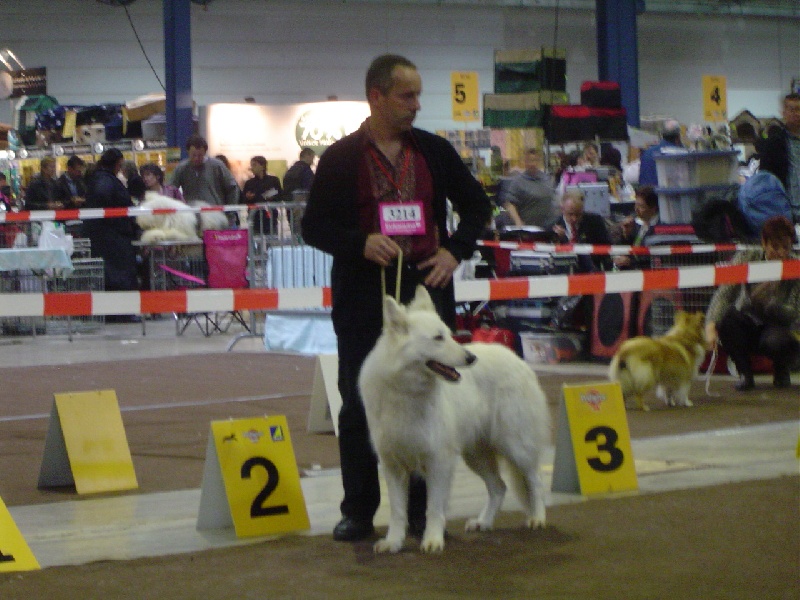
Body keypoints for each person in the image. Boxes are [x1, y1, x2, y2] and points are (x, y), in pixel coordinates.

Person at [301, 54, 491, 543]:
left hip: (427, 291)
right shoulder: (341, 157)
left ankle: (426, 514)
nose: (416, 105)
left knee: (431, 400)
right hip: (365, 298)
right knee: (358, 401)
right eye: (407, 95)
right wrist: (359, 242)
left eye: (417, 95)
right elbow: (314, 227)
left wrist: (455, 250)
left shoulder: (434, 151)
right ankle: (359, 510)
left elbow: (477, 205)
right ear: (377, 96)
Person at [705, 215, 799, 391]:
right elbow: (724, 294)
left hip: (777, 326)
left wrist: (771, 304)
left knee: (780, 342)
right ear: (764, 243)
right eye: (775, 247)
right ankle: (745, 374)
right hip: (747, 320)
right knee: (727, 321)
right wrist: (711, 325)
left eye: (786, 248)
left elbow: (794, 312)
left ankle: (781, 370)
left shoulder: (795, 266)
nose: (780, 253)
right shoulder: (747, 257)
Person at [82, 148, 140, 307]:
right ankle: (121, 311)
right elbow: (104, 198)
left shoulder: (99, 178)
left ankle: (116, 310)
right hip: (113, 239)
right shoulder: (106, 180)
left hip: (106, 236)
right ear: (116, 164)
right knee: (118, 278)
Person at [756, 93, 800, 222]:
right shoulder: (774, 143)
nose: (797, 114)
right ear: (784, 113)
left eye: (799, 109)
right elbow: (765, 178)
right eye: (792, 109)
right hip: (785, 210)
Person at [550, 189, 612, 272]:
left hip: (591, 272)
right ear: (562, 209)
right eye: (570, 214)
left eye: (578, 214)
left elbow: (606, 248)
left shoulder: (595, 222)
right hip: (564, 273)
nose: (574, 219)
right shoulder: (552, 227)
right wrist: (561, 240)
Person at [170, 136, 240, 207]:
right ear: (188, 152)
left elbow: (232, 187)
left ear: (205, 153)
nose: (196, 158)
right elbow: (171, 189)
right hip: (191, 211)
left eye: (200, 155)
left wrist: (230, 209)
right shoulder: (181, 168)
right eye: (193, 155)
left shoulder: (217, 166)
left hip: (215, 210)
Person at [497, 147, 556, 227]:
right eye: (530, 161)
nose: (533, 164)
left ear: (539, 161)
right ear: (525, 162)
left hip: (548, 226)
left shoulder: (547, 179)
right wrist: (518, 222)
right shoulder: (518, 182)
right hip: (528, 228)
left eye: (535, 160)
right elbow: (509, 204)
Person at [613, 186, 660, 270]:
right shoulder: (635, 223)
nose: (636, 209)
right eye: (636, 204)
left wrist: (631, 262)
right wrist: (626, 235)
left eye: (641, 206)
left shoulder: (659, 228)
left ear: (653, 209)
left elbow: (653, 257)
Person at [638, 119, 682, 186]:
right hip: (668, 191)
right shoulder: (680, 154)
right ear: (678, 136)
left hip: (646, 191)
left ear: (662, 135)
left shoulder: (647, 153)